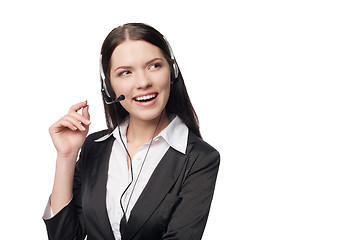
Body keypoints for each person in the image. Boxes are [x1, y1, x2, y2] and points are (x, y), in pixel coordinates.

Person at [43, 23, 220, 240]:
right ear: (109, 86)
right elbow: (65, 237)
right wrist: (66, 156)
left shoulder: (199, 159)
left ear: (172, 72)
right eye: (125, 72)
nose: (144, 82)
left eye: (154, 66)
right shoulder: (94, 147)